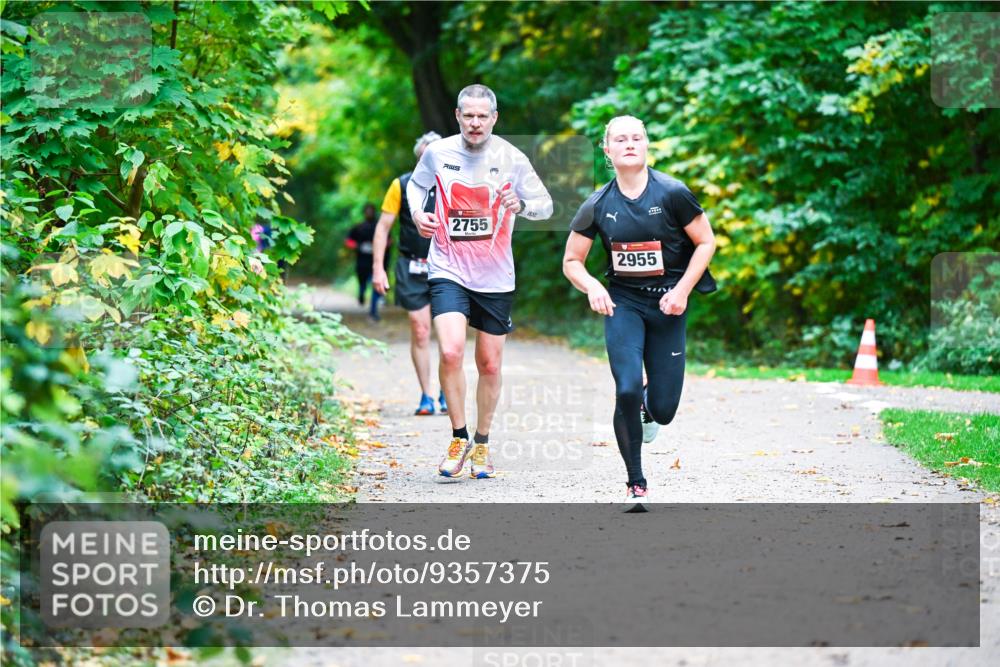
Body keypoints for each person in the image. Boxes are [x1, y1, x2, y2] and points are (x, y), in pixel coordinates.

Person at [562, 115, 717, 512]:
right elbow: (572, 261)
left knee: (663, 410)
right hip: (623, 304)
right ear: (607, 150)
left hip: (669, 304)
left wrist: (682, 290)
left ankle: (650, 409)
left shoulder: (672, 193)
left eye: (637, 138)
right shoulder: (597, 204)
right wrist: (593, 286)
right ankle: (636, 483)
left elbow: (705, 242)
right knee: (627, 387)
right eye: (620, 139)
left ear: (647, 145)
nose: (629, 144)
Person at [406, 84, 552, 479]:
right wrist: (420, 214)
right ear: (457, 116)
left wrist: (520, 205)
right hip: (448, 266)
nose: (474, 123)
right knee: (451, 352)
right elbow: (416, 185)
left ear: (494, 118)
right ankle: (458, 436)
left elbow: (546, 205)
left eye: (481, 116)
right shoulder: (438, 153)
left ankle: (483, 443)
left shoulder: (512, 157)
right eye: (467, 116)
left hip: (495, 274)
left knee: (489, 363)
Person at [372, 131, 449, 416]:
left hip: (448, 267)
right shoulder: (401, 185)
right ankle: (426, 396)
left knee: (447, 333)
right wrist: (378, 269)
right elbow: (383, 228)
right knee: (420, 330)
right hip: (411, 266)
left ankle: (446, 391)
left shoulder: (454, 185)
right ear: (419, 157)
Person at [345, 203, 391, 321]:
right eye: (367, 211)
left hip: (378, 263)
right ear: (364, 213)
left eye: (371, 211)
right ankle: (361, 293)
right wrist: (358, 246)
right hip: (362, 262)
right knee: (362, 283)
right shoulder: (358, 227)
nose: (369, 213)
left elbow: (390, 241)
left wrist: (381, 247)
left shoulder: (380, 227)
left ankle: (373, 312)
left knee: (376, 286)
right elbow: (348, 241)